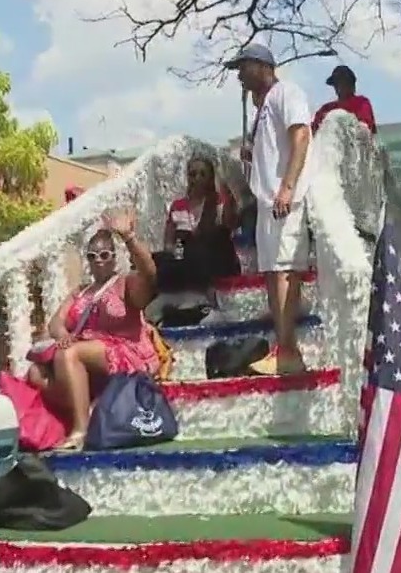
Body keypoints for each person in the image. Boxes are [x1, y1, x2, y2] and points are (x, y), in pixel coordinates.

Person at [28, 214, 162, 451]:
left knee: (69, 355)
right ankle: (90, 406)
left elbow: (150, 273)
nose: (98, 260)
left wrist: (128, 238)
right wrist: (63, 335)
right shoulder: (81, 291)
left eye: (105, 255)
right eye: (92, 256)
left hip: (125, 352)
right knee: (36, 373)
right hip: (87, 353)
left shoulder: (125, 284)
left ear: (114, 257)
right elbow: (55, 323)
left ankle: (81, 431)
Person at [227, 44, 314, 375]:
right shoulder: (262, 108)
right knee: (272, 272)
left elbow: (302, 136)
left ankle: (289, 350)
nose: (238, 75)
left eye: (242, 68)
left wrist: (288, 187)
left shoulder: (286, 93)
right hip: (267, 204)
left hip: (284, 199)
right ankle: (283, 348)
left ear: (261, 66)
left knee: (285, 270)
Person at [154, 155, 241, 297]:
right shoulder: (178, 206)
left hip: (215, 258)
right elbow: (169, 243)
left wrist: (227, 196)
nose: (197, 178)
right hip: (186, 258)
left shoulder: (219, 201)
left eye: (202, 174)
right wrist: (175, 255)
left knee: (212, 237)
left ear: (210, 177)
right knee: (161, 258)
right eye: (192, 174)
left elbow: (229, 225)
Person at [311, 65, 377, 134]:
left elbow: (366, 129)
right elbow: (313, 131)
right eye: (336, 83)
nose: (338, 86)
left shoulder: (362, 102)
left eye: (343, 82)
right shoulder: (326, 108)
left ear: (351, 83)